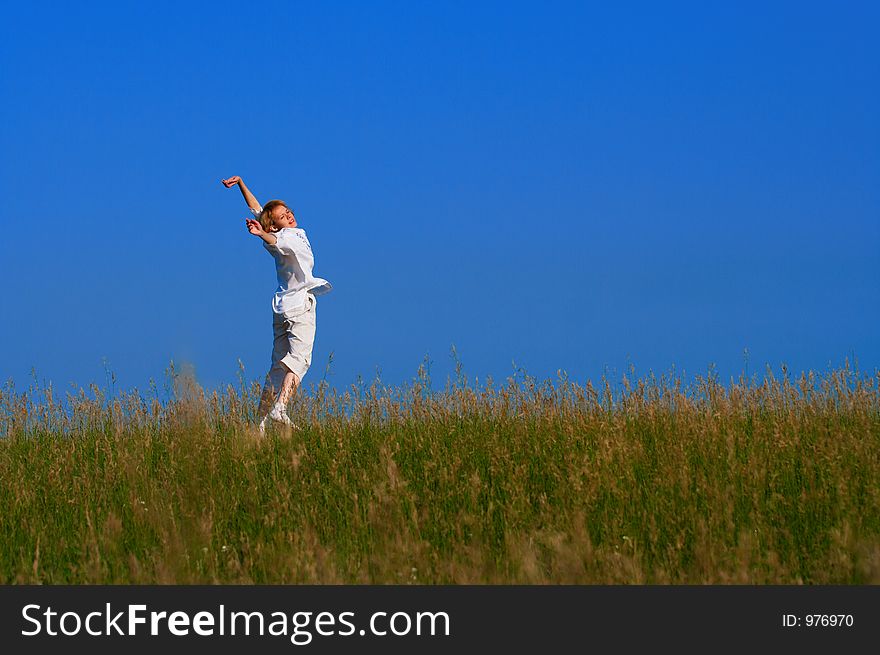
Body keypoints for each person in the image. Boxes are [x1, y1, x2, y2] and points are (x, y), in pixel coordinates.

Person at [221, 175, 332, 432]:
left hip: (281, 307)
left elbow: (259, 211)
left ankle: (258, 424)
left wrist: (241, 185)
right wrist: (262, 234)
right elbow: (274, 238)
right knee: (300, 360)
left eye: (289, 211)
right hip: (299, 306)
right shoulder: (287, 238)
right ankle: (280, 408)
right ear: (276, 226)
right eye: (283, 216)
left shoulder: (284, 232)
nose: (289, 216)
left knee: (279, 366)